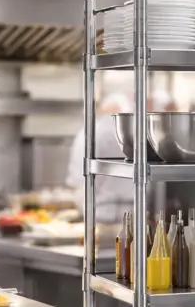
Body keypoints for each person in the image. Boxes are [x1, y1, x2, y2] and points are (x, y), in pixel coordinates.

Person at [67, 90, 173, 223]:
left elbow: (77, 180)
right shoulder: (138, 133)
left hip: (99, 212)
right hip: (134, 212)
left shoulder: (86, 133)